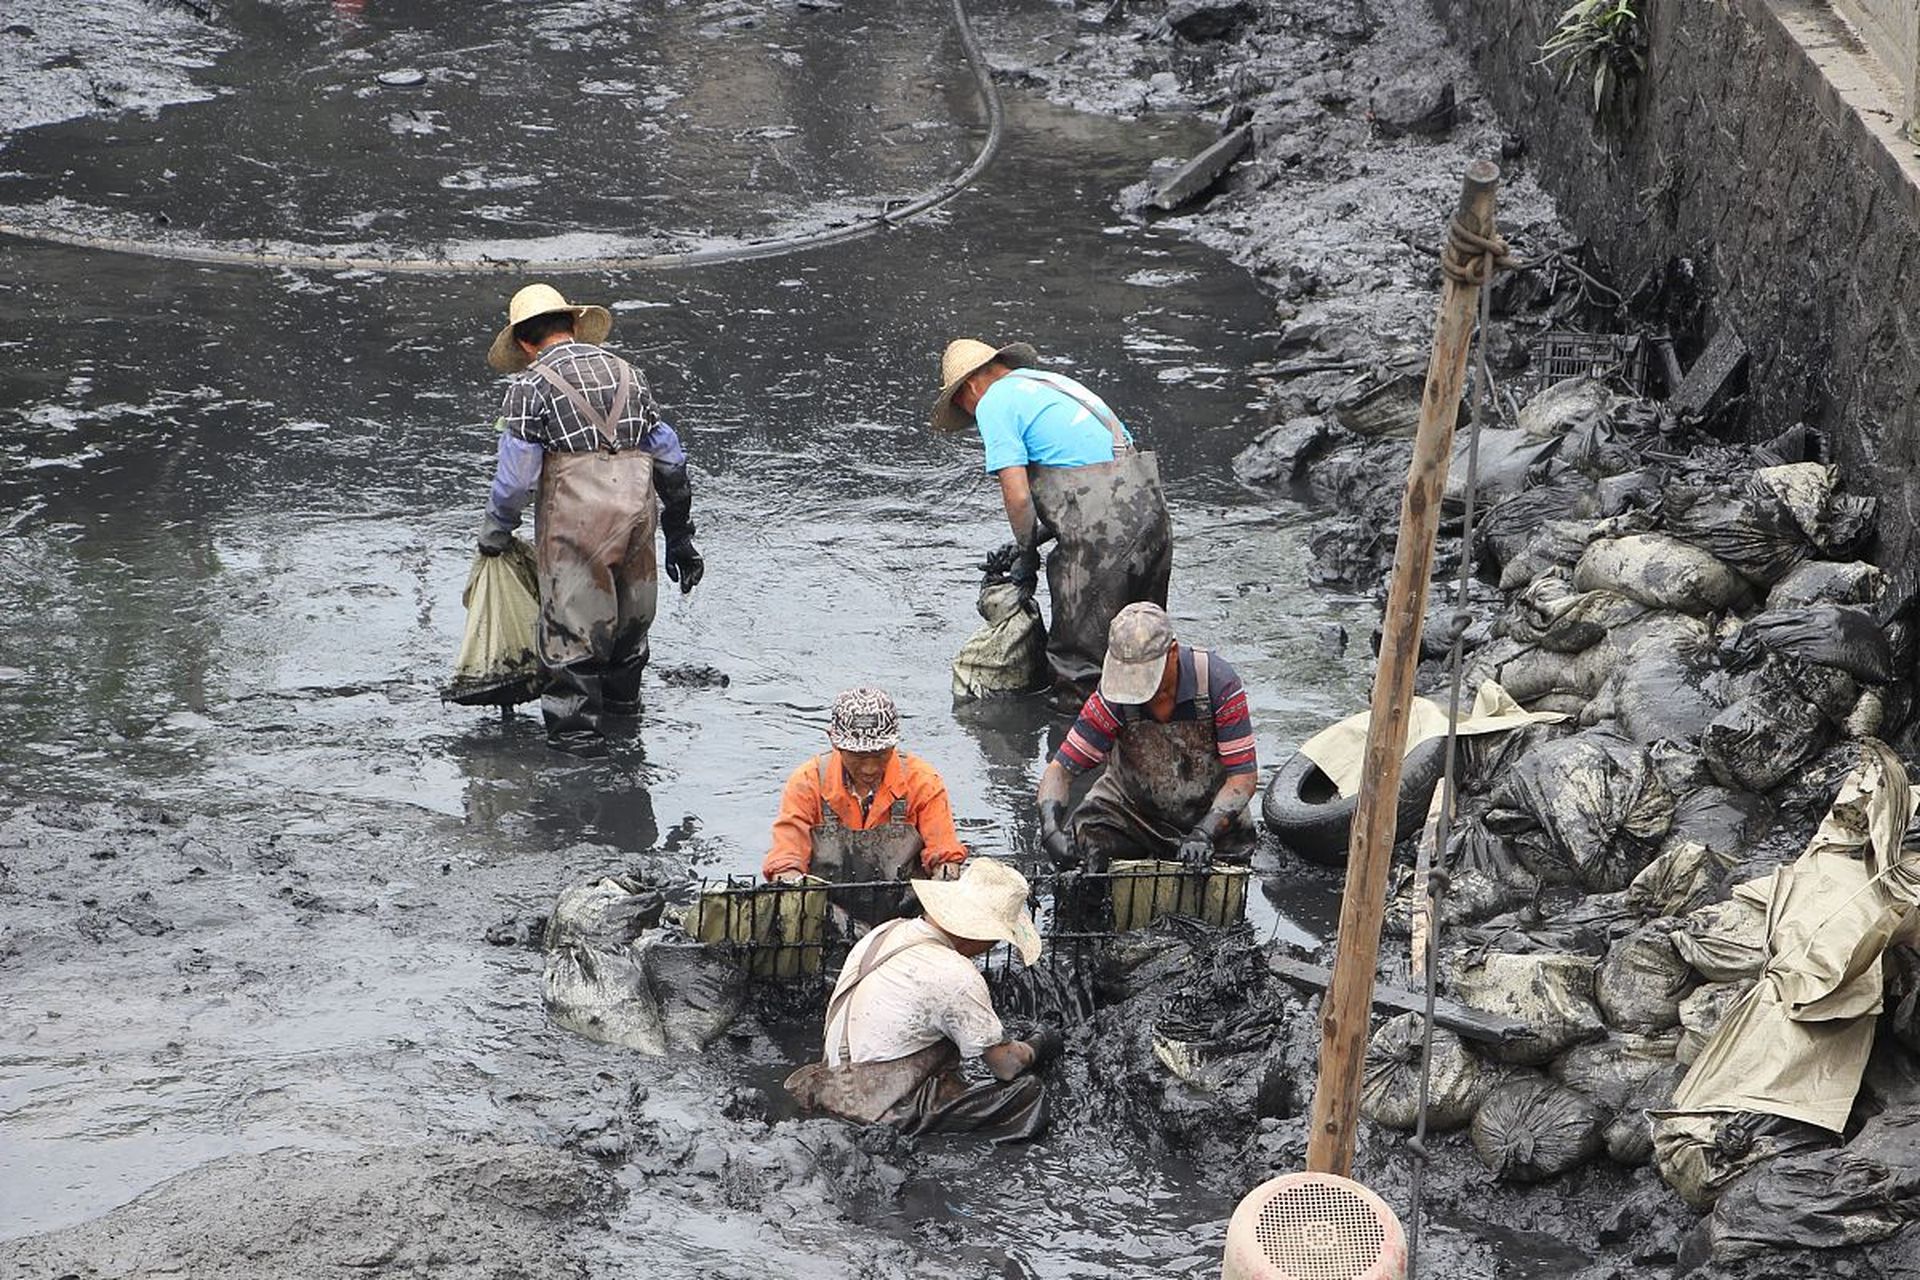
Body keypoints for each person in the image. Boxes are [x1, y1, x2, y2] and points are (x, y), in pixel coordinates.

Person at [476, 283, 705, 748]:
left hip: (575, 527)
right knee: (629, 632)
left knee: (572, 641)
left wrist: (496, 531)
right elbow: (670, 459)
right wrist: (680, 534)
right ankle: (626, 737)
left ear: (523, 342)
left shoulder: (529, 387)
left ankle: (578, 759)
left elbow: (517, 479)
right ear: (575, 326)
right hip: (637, 515)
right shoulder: (629, 375)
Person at [931, 338, 1173, 696]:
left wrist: (1027, 551)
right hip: (1153, 518)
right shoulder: (1054, 386)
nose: (971, 417)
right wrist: (1037, 538)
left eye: (963, 408)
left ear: (969, 387)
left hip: (1101, 540)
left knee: (1078, 671)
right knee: (1146, 653)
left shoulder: (993, 401)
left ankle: (1071, 746)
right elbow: (1099, 483)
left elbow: (1017, 494)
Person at [784, 857, 1057, 1142]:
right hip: (882, 1112)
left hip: (831, 1087)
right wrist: (1038, 1044)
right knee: (1028, 1092)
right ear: (983, 935)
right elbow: (1006, 1066)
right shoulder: (955, 974)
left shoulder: (885, 932)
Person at [1037, 603, 1258, 871]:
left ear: (1172, 653)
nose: (1135, 687)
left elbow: (1242, 779)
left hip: (1208, 816)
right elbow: (1060, 770)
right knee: (1085, 847)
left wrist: (1204, 833)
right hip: (1132, 814)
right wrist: (1050, 829)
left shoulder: (1216, 683)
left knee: (1221, 875)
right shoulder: (1112, 697)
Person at [763, 687, 968, 925]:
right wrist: (791, 890)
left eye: (880, 755)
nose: (869, 768)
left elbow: (944, 855)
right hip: (826, 917)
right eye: (858, 757)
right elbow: (787, 860)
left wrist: (946, 886)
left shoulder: (922, 781)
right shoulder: (807, 783)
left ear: (894, 744)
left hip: (907, 920)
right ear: (834, 742)